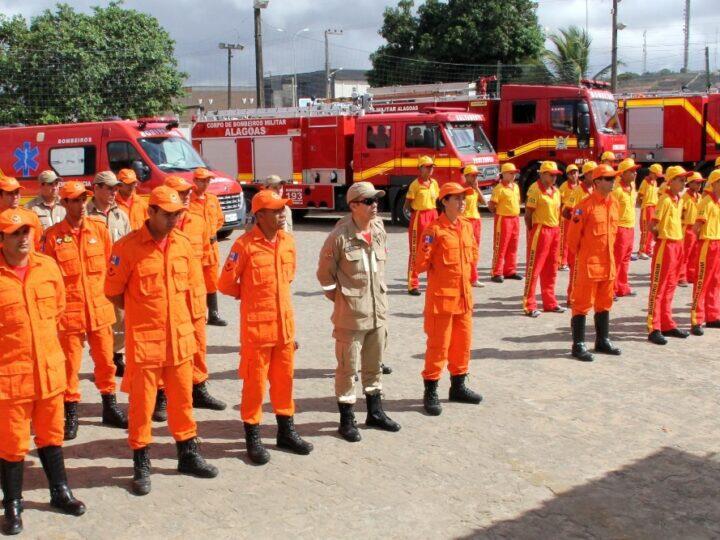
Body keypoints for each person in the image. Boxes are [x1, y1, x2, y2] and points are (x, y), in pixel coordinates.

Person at [105, 186, 218, 496]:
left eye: (177, 214)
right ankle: (141, 462)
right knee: (141, 407)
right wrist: (143, 311)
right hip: (146, 342)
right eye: (167, 215)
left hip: (179, 341)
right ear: (150, 212)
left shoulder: (182, 245)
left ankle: (188, 454)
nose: (173, 220)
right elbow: (113, 291)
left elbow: (193, 290)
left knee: (183, 401)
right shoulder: (126, 247)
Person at [0, 209, 85, 535]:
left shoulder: (48, 268)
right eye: (15, 233)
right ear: (3, 238)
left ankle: (60, 492)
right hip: (11, 376)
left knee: (51, 435)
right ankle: (13, 504)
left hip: (49, 372)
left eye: (27, 231)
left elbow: (59, 310)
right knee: (12, 444)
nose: (23, 238)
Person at [218, 189, 313, 465]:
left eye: (282, 209)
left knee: (284, 382)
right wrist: (247, 294)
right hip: (257, 331)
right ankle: (253, 437)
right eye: (275, 210)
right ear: (260, 215)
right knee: (255, 386)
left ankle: (286, 431)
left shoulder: (288, 243)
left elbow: (289, 276)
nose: (282, 214)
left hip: (284, 329)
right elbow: (224, 284)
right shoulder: (244, 246)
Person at [316, 182, 400, 442]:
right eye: (369, 201)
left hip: (378, 311)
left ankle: (375, 412)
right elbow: (324, 277)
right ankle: (346, 419)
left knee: (373, 366)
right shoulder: (339, 237)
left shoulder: (378, 228)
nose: (375, 205)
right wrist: (342, 299)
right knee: (347, 368)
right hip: (351, 316)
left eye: (376, 200)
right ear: (354, 205)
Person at [43, 181, 127, 440]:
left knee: (106, 361)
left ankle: (109, 407)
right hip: (70, 313)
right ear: (64, 203)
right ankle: (71, 413)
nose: (80, 205)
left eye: (83, 200)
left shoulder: (99, 230)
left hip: (100, 310)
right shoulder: (53, 236)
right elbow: (47, 276)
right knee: (69, 367)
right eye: (74, 200)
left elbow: (111, 267)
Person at [415, 182, 482, 417]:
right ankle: (431, 391)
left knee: (462, 345)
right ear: (444, 201)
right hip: (442, 301)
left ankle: (458, 386)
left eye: (464, 199)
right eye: (457, 199)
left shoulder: (466, 226)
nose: (462, 203)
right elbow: (420, 264)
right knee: (438, 347)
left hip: (464, 299)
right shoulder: (434, 231)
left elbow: (472, 254)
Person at [164, 175, 226, 412]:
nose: (188, 196)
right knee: (165, 346)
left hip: (195, 297)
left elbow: (204, 261)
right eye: (181, 193)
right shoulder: (156, 228)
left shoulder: (198, 222)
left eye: (187, 192)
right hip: (170, 299)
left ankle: (198, 388)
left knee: (199, 344)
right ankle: (162, 395)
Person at [566, 165, 622, 362]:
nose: (612, 181)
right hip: (589, 264)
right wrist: (584, 258)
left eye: (613, 178)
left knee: (604, 303)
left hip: (608, 263)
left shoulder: (614, 203)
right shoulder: (584, 206)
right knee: (581, 304)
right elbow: (572, 240)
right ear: (597, 181)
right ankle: (578, 344)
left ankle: (602, 340)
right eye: (607, 178)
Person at [87, 171, 131, 378]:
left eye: (116, 188)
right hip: (94, 278)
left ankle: (114, 355)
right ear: (96, 188)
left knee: (121, 321)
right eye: (110, 188)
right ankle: (101, 358)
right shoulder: (86, 213)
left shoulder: (120, 214)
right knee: (98, 324)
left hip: (118, 277)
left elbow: (130, 244)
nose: (115, 191)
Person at [647, 165, 692, 345]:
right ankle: (654, 327)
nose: (684, 183)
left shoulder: (678, 199)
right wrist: (660, 238)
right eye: (681, 180)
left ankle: (667, 323)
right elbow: (653, 224)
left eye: (684, 180)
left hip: (677, 243)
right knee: (659, 287)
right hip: (666, 245)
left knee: (670, 286)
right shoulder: (665, 200)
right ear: (671, 181)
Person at [522, 161, 566, 317]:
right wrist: (532, 232)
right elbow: (528, 215)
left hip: (554, 231)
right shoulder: (535, 190)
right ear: (543, 174)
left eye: (556, 175)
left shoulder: (556, 190)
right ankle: (529, 304)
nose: (554, 178)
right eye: (551, 174)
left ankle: (550, 302)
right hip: (540, 230)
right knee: (534, 268)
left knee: (551, 268)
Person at [190, 167, 227, 326]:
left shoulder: (212, 200)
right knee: (195, 281)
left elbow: (220, 219)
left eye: (208, 181)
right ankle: (196, 313)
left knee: (212, 280)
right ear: (195, 181)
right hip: (196, 248)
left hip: (211, 247)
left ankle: (213, 313)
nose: (206, 184)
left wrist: (210, 233)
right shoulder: (188, 201)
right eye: (203, 180)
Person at [689, 169, 720, 336]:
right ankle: (696, 319)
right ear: (714, 184)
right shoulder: (706, 202)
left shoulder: (718, 201)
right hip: (707, 244)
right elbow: (696, 227)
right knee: (702, 282)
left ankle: (713, 315)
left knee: (716, 282)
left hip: (718, 242)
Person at [562, 161, 597, 306]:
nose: (596, 176)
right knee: (575, 267)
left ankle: (587, 296)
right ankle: (572, 297)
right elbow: (566, 212)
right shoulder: (577, 191)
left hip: (592, 236)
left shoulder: (596, 189)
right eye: (593, 173)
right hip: (579, 235)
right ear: (587, 174)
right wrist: (577, 223)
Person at [404, 156, 440, 295]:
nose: (430, 169)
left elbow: (437, 199)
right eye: (427, 166)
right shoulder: (415, 184)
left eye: (432, 167)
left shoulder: (434, 183)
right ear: (420, 168)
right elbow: (407, 205)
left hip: (433, 216)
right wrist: (416, 214)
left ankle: (433, 282)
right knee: (416, 250)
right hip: (420, 218)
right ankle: (413, 284)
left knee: (431, 248)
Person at [489, 163, 522, 283]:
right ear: (503, 174)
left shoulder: (516, 186)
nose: (514, 175)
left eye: (514, 173)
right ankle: (496, 272)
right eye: (511, 173)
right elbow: (492, 205)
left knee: (513, 246)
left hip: (515, 219)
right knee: (500, 246)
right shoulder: (499, 188)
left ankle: (510, 271)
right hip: (503, 219)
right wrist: (499, 214)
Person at [611, 158, 640, 298]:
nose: (635, 173)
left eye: (635, 171)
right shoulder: (616, 190)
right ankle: (611, 289)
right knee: (616, 260)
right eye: (632, 171)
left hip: (630, 227)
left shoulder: (633, 186)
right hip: (619, 228)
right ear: (622, 173)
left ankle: (622, 287)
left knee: (626, 260)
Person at [0, 176, 43, 251]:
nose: (15, 196)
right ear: (1, 196)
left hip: (29, 260)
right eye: (10, 193)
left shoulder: (31, 215)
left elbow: (38, 244)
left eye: (16, 192)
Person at [678, 172, 703, 286]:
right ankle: (681, 276)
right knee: (685, 253)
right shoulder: (685, 197)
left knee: (695, 253)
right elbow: (680, 214)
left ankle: (691, 275)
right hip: (687, 228)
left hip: (696, 228)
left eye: (700, 183)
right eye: (697, 183)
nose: (699, 185)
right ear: (690, 183)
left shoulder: (700, 197)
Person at [462, 164, 484, 287]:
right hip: (466, 221)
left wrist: (477, 188)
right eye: (473, 175)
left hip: (476, 221)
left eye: (477, 176)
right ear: (466, 176)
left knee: (475, 250)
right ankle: (467, 276)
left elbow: (483, 202)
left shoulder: (475, 188)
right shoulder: (462, 189)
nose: (476, 178)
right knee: (467, 250)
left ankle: (474, 278)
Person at [637, 164, 663, 260]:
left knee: (652, 230)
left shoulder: (654, 182)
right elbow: (640, 195)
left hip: (654, 207)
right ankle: (641, 251)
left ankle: (648, 249)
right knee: (645, 230)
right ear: (651, 173)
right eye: (655, 174)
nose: (657, 177)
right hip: (647, 208)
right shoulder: (645, 182)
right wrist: (642, 206)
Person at [557, 164, 580, 270]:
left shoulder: (581, 186)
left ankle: (572, 260)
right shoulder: (564, 186)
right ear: (567, 175)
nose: (573, 175)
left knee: (574, 239)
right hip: (565, 216)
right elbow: (559, 202)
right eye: (571, 173)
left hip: (577, 216)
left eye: (575, 172)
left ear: (578, 173)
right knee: (564, 240)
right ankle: (562, 262)